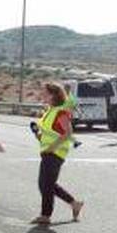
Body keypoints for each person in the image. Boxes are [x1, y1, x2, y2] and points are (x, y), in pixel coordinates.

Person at [32, 82, 84, 225]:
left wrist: (52, 147)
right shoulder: (50, 110)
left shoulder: (61, 112)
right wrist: (39, 135)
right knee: (46, 184)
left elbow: (68, 133)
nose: (42, 94)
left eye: (45, 92)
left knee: (46, 185)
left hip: (55, 153)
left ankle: (46, 215)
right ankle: (74, 203)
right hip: (48, 152)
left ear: (53, 95)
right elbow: (51, 132)